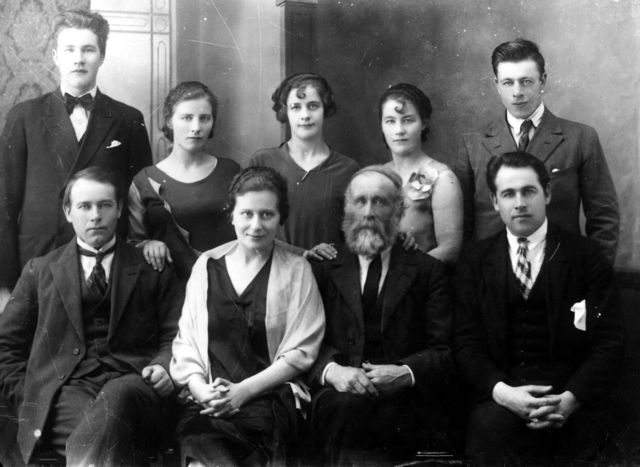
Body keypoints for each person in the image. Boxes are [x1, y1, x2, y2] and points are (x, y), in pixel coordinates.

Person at [0, 167, 182, 465]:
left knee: (119, 396)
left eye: (104, 205)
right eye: (85, 206)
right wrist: (30, 394)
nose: (95, 215)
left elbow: (178, 333)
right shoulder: (39, 271)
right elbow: (6, 347)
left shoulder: (151, 267)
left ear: (119, 209)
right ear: (68, 212)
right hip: (66, 390)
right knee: (105, 437)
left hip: (135, 384)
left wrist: (164, 365)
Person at [453, 152, 624, 464]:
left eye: (528, 191)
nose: (519, 203)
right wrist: (504, 394)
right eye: (508, 194)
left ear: (546, 193)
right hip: (502, 399)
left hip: (572, 399)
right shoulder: (474, 260)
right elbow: (466, 343)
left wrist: (570, 399)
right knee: (488, 431)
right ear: (494, 201)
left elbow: (609, 342)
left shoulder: (586, 255)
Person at [170, 166, 325, 466]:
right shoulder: (206, 266)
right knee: (201, 451)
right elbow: (186, 342)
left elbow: (301, 352)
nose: (256, 225)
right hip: (211, 402)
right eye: (247, 214)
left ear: (281, 218)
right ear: (232, 215)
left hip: (268, 400)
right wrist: (201, 390)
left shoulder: (297, 270)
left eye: (267, 214)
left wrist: (242, 392)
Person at [0, 9, 153, 311]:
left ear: (102, 55)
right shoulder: (24, 117)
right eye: (69, 49)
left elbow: (141, 201)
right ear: (56, 56)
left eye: (88, 50)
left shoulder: (128, 119)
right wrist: (4, 284)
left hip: (107, 261)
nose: (79, 59)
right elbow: (4, 204)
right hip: (39, 260)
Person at [308, 165, 453, 464]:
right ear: (347, 208)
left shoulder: (428, 271)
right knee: (348, 409)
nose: (368, 212)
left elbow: (445, 350)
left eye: (380, 202)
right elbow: (299, 341)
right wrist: (332, 371)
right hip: (338, 396)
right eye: (360, 201)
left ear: (399, 209)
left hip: (405, 399)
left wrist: (405, 372)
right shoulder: (323, 266)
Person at [455, 38, 619, 263]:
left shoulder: (580, 138)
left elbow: (604, 218)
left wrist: (596, 275)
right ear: (496, 85)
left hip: (561, 270)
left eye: (526, 81)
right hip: (491, 274)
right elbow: (462, 223)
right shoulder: (473, 144)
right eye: (507, 82)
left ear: (542, 80)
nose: (517, 92)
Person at [128, 81, 241, 280]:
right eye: (187, 118)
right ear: (170, 121)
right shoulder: (144, 181)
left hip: (229, 284)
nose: (196, 128)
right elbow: (133, 242)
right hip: (171, 288)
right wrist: (148, 244)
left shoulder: (231, 171)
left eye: (204, 118)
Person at [248, 72, 359, 260]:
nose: (305, 115)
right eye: (296, 107)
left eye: (313, 106)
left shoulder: (348, 169)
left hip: (327, 271)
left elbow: (355, 236)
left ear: (325, 109)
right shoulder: (263, 162)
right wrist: (302, 253)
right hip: (274, 269)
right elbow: (249, 227)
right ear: (285, 111)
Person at [381, 83, 463, 265]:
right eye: (390, 121)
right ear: (382, 126)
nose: (399, 130)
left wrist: (405, 274)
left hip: (421, 278)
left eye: (408, 120)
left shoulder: (442, 178)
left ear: (424, 124)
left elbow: (450, 249)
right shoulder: (377, 176)